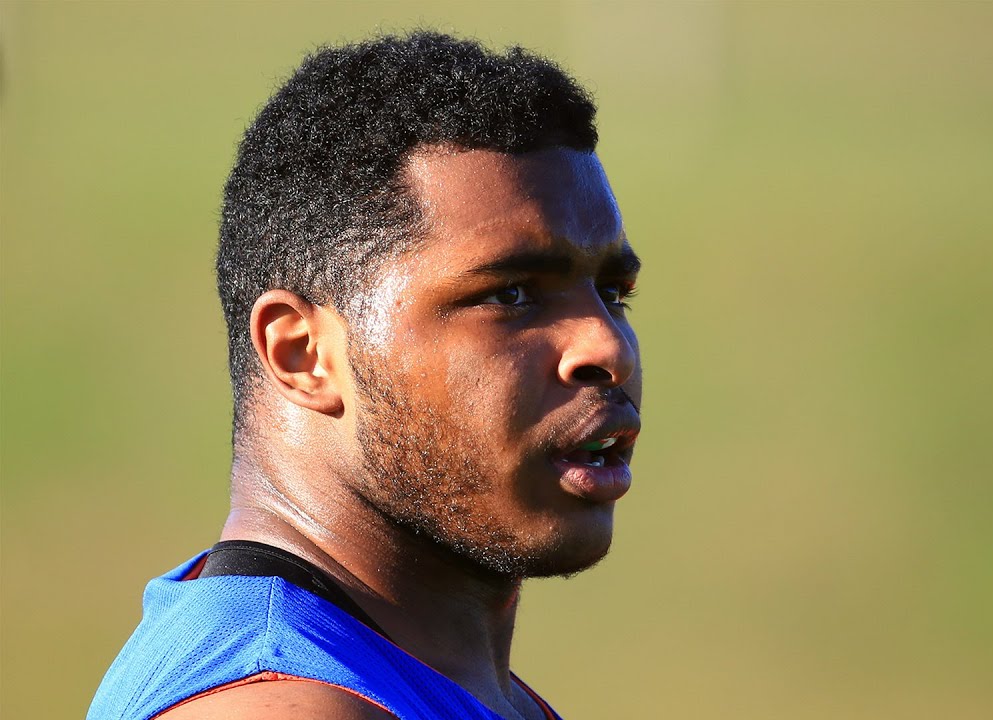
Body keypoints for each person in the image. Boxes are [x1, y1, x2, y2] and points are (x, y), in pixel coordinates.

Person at [88, 31, 642, 720]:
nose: (607, 347)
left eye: (613, 294)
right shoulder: (278, 706)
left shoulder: (414, 675)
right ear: (302, 353)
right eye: (510, 295)